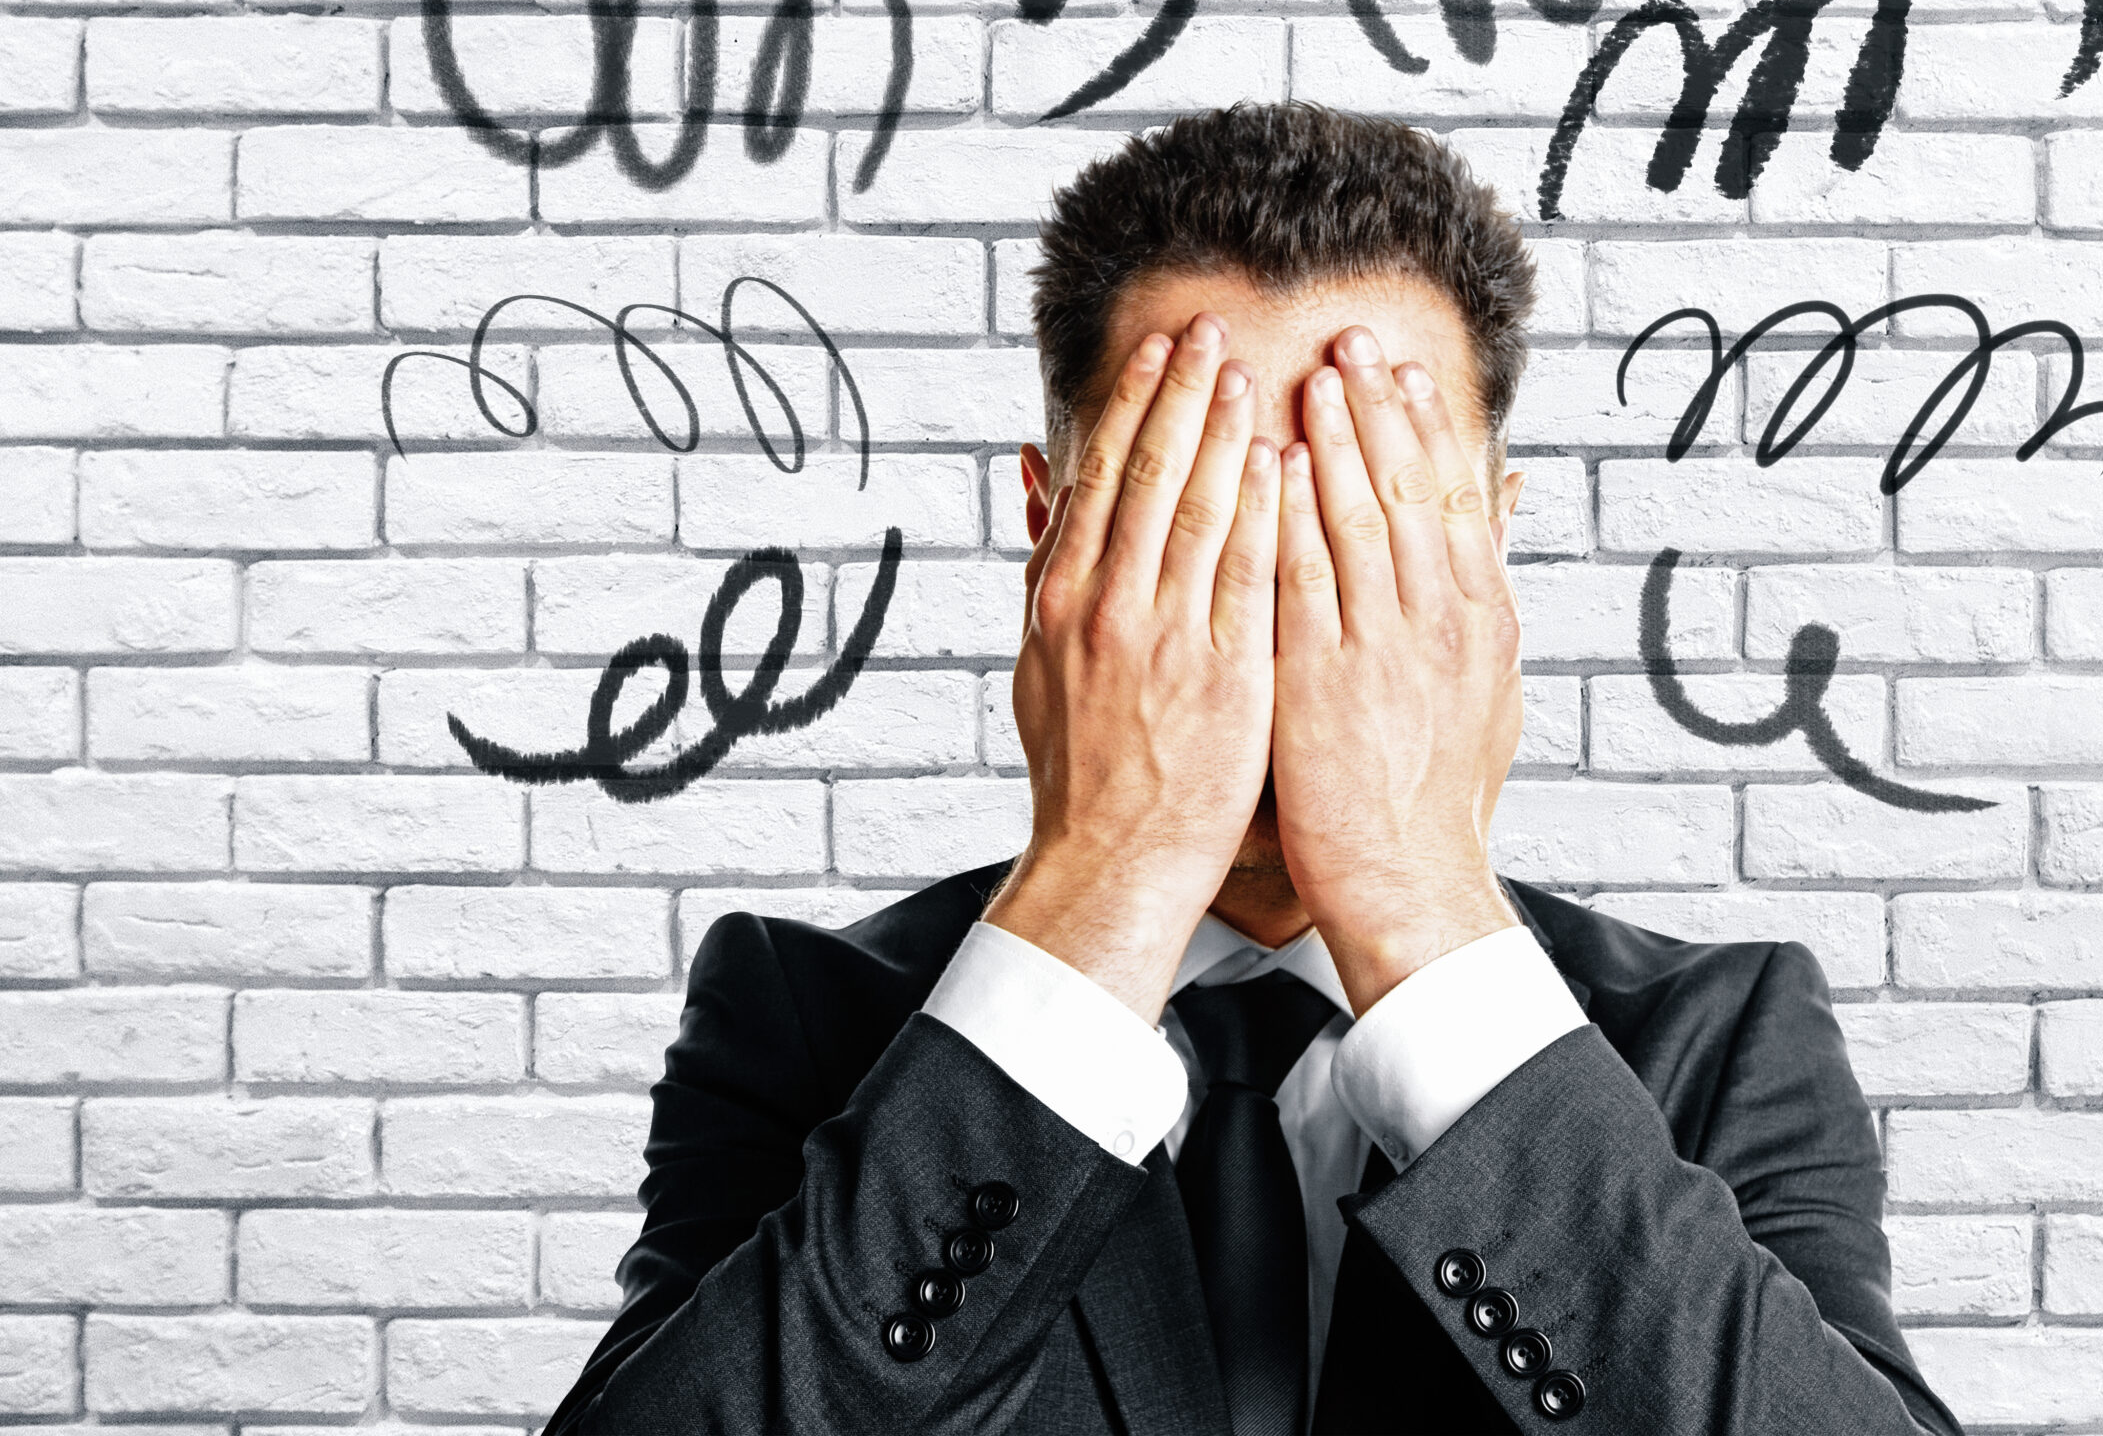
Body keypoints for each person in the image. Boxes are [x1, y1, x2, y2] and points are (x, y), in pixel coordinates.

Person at [541, 104, 1963, 1436]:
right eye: (1198, 526)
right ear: (1055, 533)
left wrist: (1415, 901)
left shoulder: (1712, 1040)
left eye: (1367, 532)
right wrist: (1106, 882)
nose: (1286, 613)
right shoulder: (807, 1022)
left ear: (1485, 548)